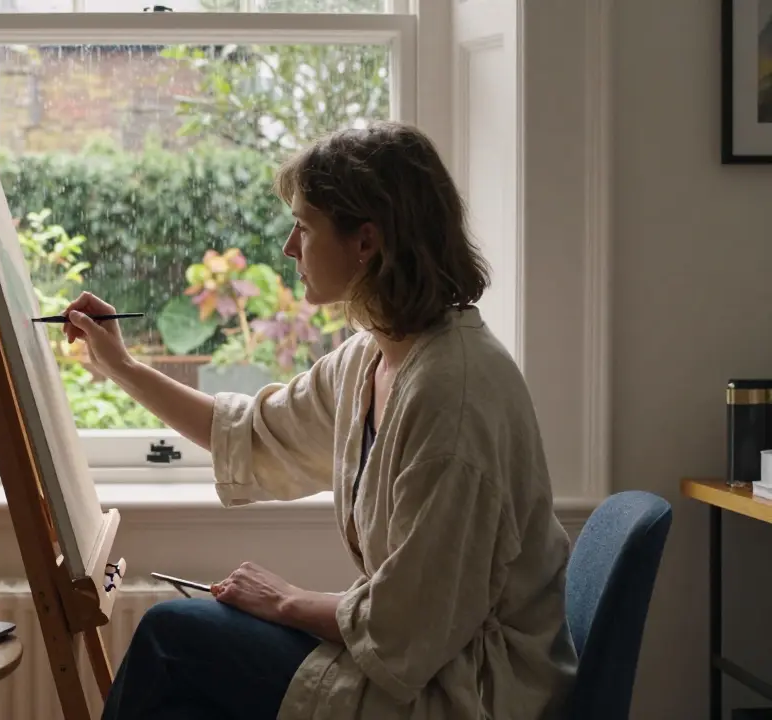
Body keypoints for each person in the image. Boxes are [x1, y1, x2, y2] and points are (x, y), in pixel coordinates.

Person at [61, 121, 578, 720]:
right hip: (418, 656)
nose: (288, 247)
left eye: (303, 227)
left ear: (366, 242)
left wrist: (287, 602)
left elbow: (408, 630)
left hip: (469, 689)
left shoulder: (453, 397)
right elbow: (251, 433)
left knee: (172, 638)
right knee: (183, 644)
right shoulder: (374, 355)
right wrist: (122, 366)